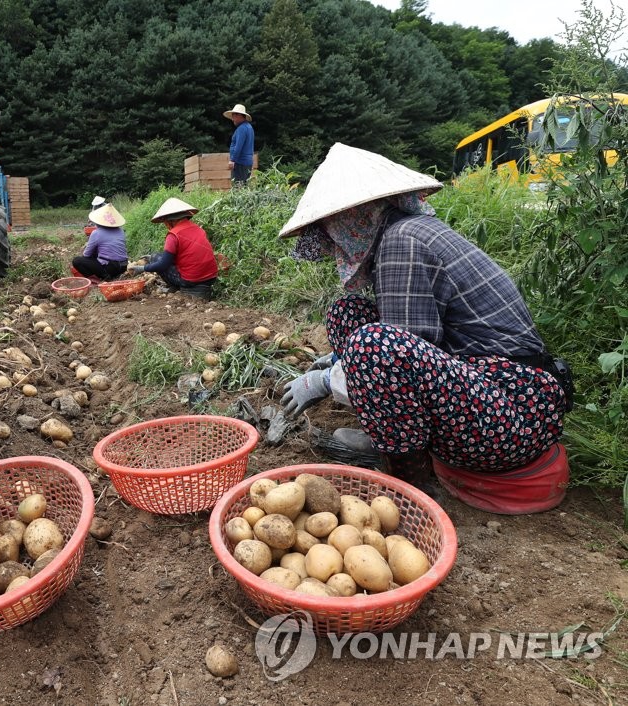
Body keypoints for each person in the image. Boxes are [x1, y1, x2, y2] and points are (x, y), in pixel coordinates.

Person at [277, 143, 573, 511]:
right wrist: (334, 363)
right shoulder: (406, 233)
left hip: (514, 416)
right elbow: (413, 342)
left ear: (355, 215)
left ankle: (411, 491)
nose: (332, 238)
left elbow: (394, 353)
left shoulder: (403, 242)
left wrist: (326, 380)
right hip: (481, 388)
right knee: (348, 312)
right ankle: (388, 437)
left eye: (332, 226)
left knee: (373, 348)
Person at [128, 197, 219, 299]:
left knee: (156, 257)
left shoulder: (173, 235)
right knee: (157, 257)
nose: (165, 225)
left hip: (190, 280)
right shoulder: (198, 229)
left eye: (165, 222)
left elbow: (163, 265)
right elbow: (187, 254)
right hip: (211, 278)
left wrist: (142, 268)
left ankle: (175, 288)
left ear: (170, 221)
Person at [71, 203, 128, 281]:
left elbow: (86, 255)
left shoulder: (96, 233)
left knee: (77, 261)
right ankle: (108, 274)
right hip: (124, 266)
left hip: (111, 268)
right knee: (97, 252)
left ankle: (102, 277)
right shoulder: (120, 231)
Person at [224, 103, 254, 186]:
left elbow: (238, 146)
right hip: (247, 162)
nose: (232, 119)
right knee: (244, 187)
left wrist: (232, 160)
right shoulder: (249, 127)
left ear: (239, 115)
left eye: (233, 116)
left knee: (237, 187)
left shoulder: (242, 128)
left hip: (240, 162)